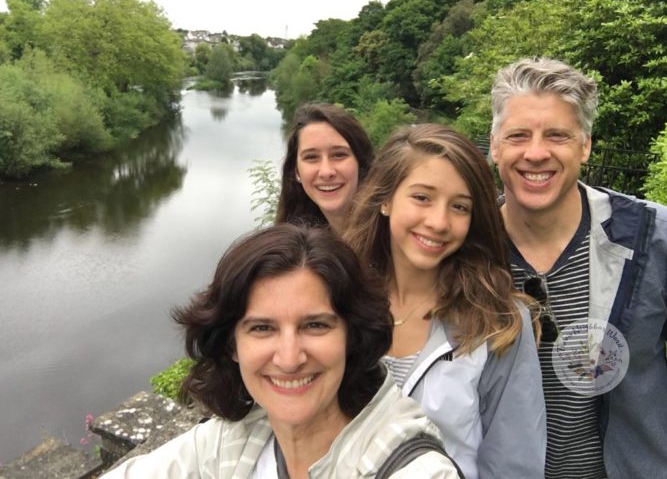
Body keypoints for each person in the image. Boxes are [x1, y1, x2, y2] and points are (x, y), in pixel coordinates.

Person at [102, 224, 462, 478]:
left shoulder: (411, 469)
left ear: (351, 336)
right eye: (262, 328)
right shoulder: (237, 440)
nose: (289, 358)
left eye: (315, 325)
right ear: (232, 346)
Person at [489, 57, 667, 478]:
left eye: (557, 135)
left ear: (585, 145)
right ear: (495, 144)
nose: (536, 153)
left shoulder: (651, 238)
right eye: (518, 136)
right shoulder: (465, 250)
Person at [344, 123, 546, 479]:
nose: (438, 222)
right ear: (387, 199)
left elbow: (514, 465)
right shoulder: (337, 302)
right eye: (422, 197)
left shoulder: (497, 321)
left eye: (459, 207)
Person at [275, 103, 374, 233]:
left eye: (339, 155)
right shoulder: (296, 243)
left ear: (361, 162)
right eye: (311, 157)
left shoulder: (391, 237)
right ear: (296, 171)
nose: (326, 172)